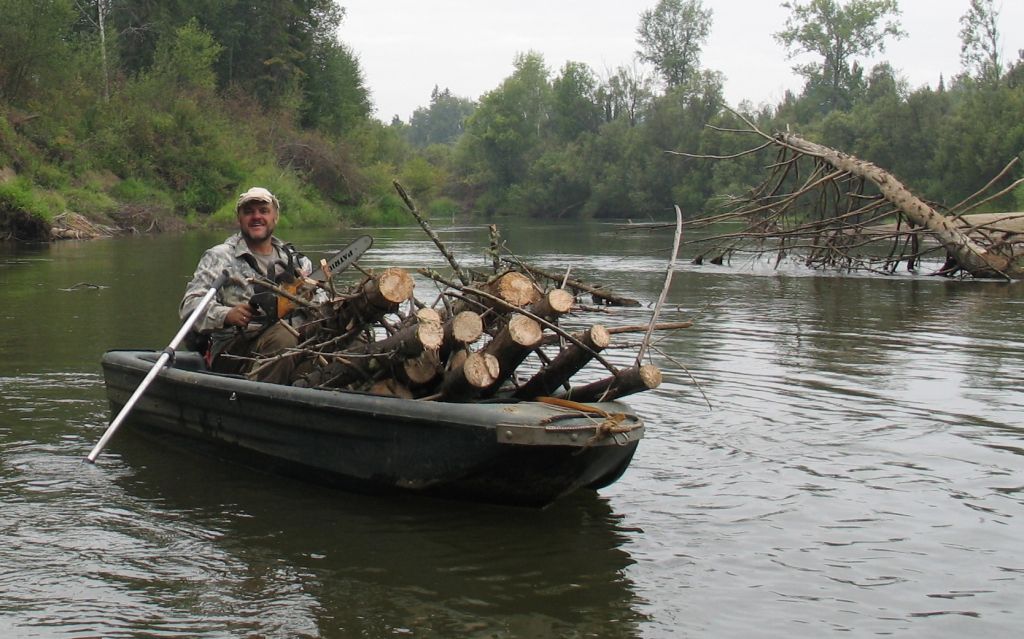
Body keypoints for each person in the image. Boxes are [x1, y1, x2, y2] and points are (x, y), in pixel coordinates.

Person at [179, 187, 313, 384]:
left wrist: (316, 298)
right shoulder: (219, 257)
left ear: (275, 217)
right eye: (249, 212)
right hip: (233, 352)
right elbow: (190, 307)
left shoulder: (297, 261)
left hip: (295, 340)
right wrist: (226, 315)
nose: (256, 217)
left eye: (263, 211)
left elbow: (321, 303)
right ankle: (262, 398)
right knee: (285, 337)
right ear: (239, 219)